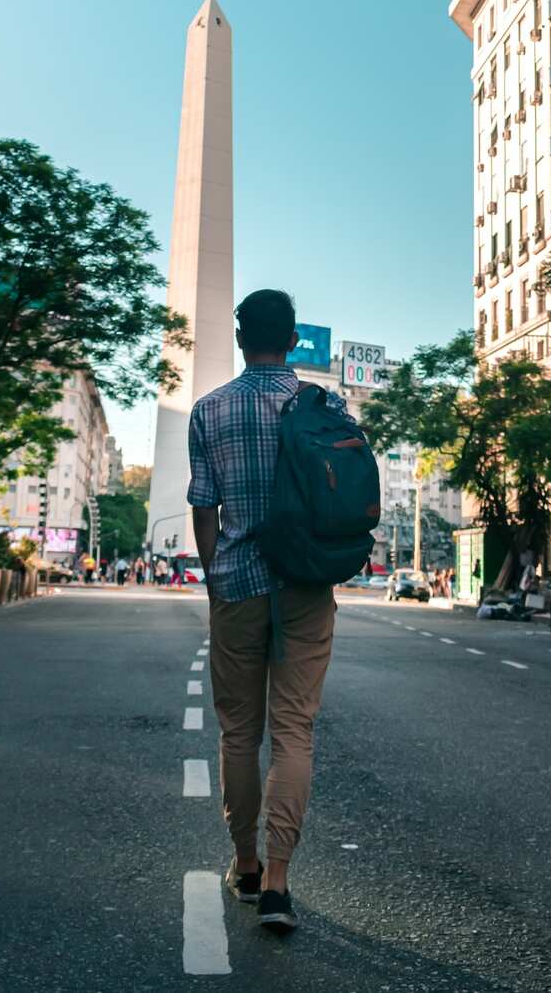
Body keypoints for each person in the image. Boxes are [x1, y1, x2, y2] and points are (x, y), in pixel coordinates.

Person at [188, 288, 355, 934]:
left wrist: (211, 572)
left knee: (239, 734)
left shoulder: (210, 411)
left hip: (237, 584)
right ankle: (282, 885)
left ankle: (246, 865)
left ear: (239, 338)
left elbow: (204, 504)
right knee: (294, 732)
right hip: (307, 584)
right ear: (292, 340)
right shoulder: (324, 405)